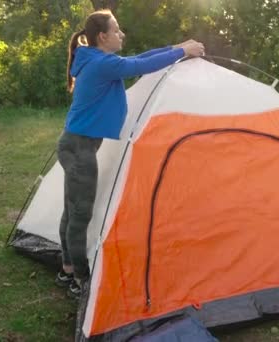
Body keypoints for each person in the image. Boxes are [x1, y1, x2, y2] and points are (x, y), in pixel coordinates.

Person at [55, 9, 205, 298]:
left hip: (74, 144)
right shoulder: (102, 64)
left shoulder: (96, 59)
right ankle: (80, 280)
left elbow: (143, 57)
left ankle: (67, 269)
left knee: (72, 209)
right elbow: (139, 64)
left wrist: (178, 48)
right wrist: (182, 50)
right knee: (80, 214)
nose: (121, 34)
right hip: (79, 148)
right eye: (117, 30)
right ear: (103, 37)